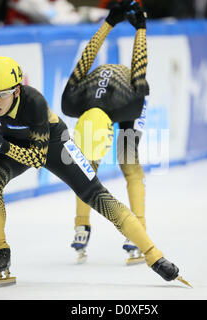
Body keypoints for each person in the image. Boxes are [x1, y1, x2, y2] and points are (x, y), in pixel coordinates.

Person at [0, 0, 190, 287]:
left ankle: (154, 254)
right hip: (10, 142)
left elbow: (37, 159)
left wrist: (3, 147)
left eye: (2, 94)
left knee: (105, 187)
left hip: (52, 142)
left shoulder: (34, 102)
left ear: (17, 90)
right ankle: (1, 250)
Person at [62, 0, 149, 265]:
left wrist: (140, 30)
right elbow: (87, 58)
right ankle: (82, 225)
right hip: (99, 96)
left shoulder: (132, 101)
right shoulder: (73, 101)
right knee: (86, 165)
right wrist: (111, 23)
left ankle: (138, 227)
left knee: (129, 165)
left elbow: (139, 67)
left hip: (127, 96)